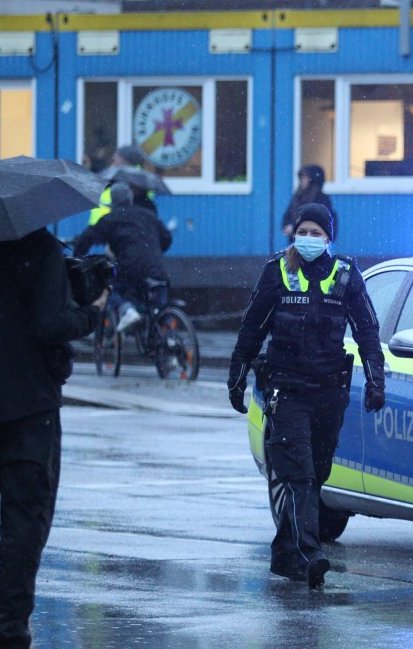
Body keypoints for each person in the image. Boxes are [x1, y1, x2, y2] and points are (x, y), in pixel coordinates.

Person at [227, 203, 386, 589]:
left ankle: (285, 555)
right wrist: (237, 375)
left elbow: (367, 331)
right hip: (286, 391)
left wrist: (376, 379)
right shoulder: (276, 273)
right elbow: (251, 328)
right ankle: (310, 554)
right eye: (305, 232)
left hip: (329, 393)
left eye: (318, 233)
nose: (310, 239)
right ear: (294, 234)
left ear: (329, 237)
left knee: (316, 474)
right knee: (298, 474)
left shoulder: (346, 276)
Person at [0, 228, 106, 648]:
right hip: (28, 406)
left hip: (25, 401)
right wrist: (92, 310)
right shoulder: (37, 246)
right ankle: (9, 622)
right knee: (25, 518)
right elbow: (50, 324)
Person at [73, 182, 173, 333]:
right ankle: (168, 336)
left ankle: (126, 310)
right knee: (158, 308)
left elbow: (86, 239)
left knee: (107, 288)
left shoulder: (111, 218)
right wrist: (153, 251)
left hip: (130, 266)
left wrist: (77, 256)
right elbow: (167, 238)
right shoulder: (148, 215)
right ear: (130, 198)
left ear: (113, 201)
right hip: (157, 268)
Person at [88, 145, 156, 225]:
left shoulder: (125, 179)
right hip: (104, 226)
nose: (113, 158)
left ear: (124, 160)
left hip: (110, 226)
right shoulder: (143, 179)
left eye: (117, 156)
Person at [282, 165, 335, 240]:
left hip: (314, 243)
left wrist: (295, 228)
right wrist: (288, 226)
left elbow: (320, 222)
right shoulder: (297, 197)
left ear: (313, 180)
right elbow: (287, 216)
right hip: (296, 242)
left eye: (305, 178)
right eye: (301, 178)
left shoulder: (321, 199)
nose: (302, 181)